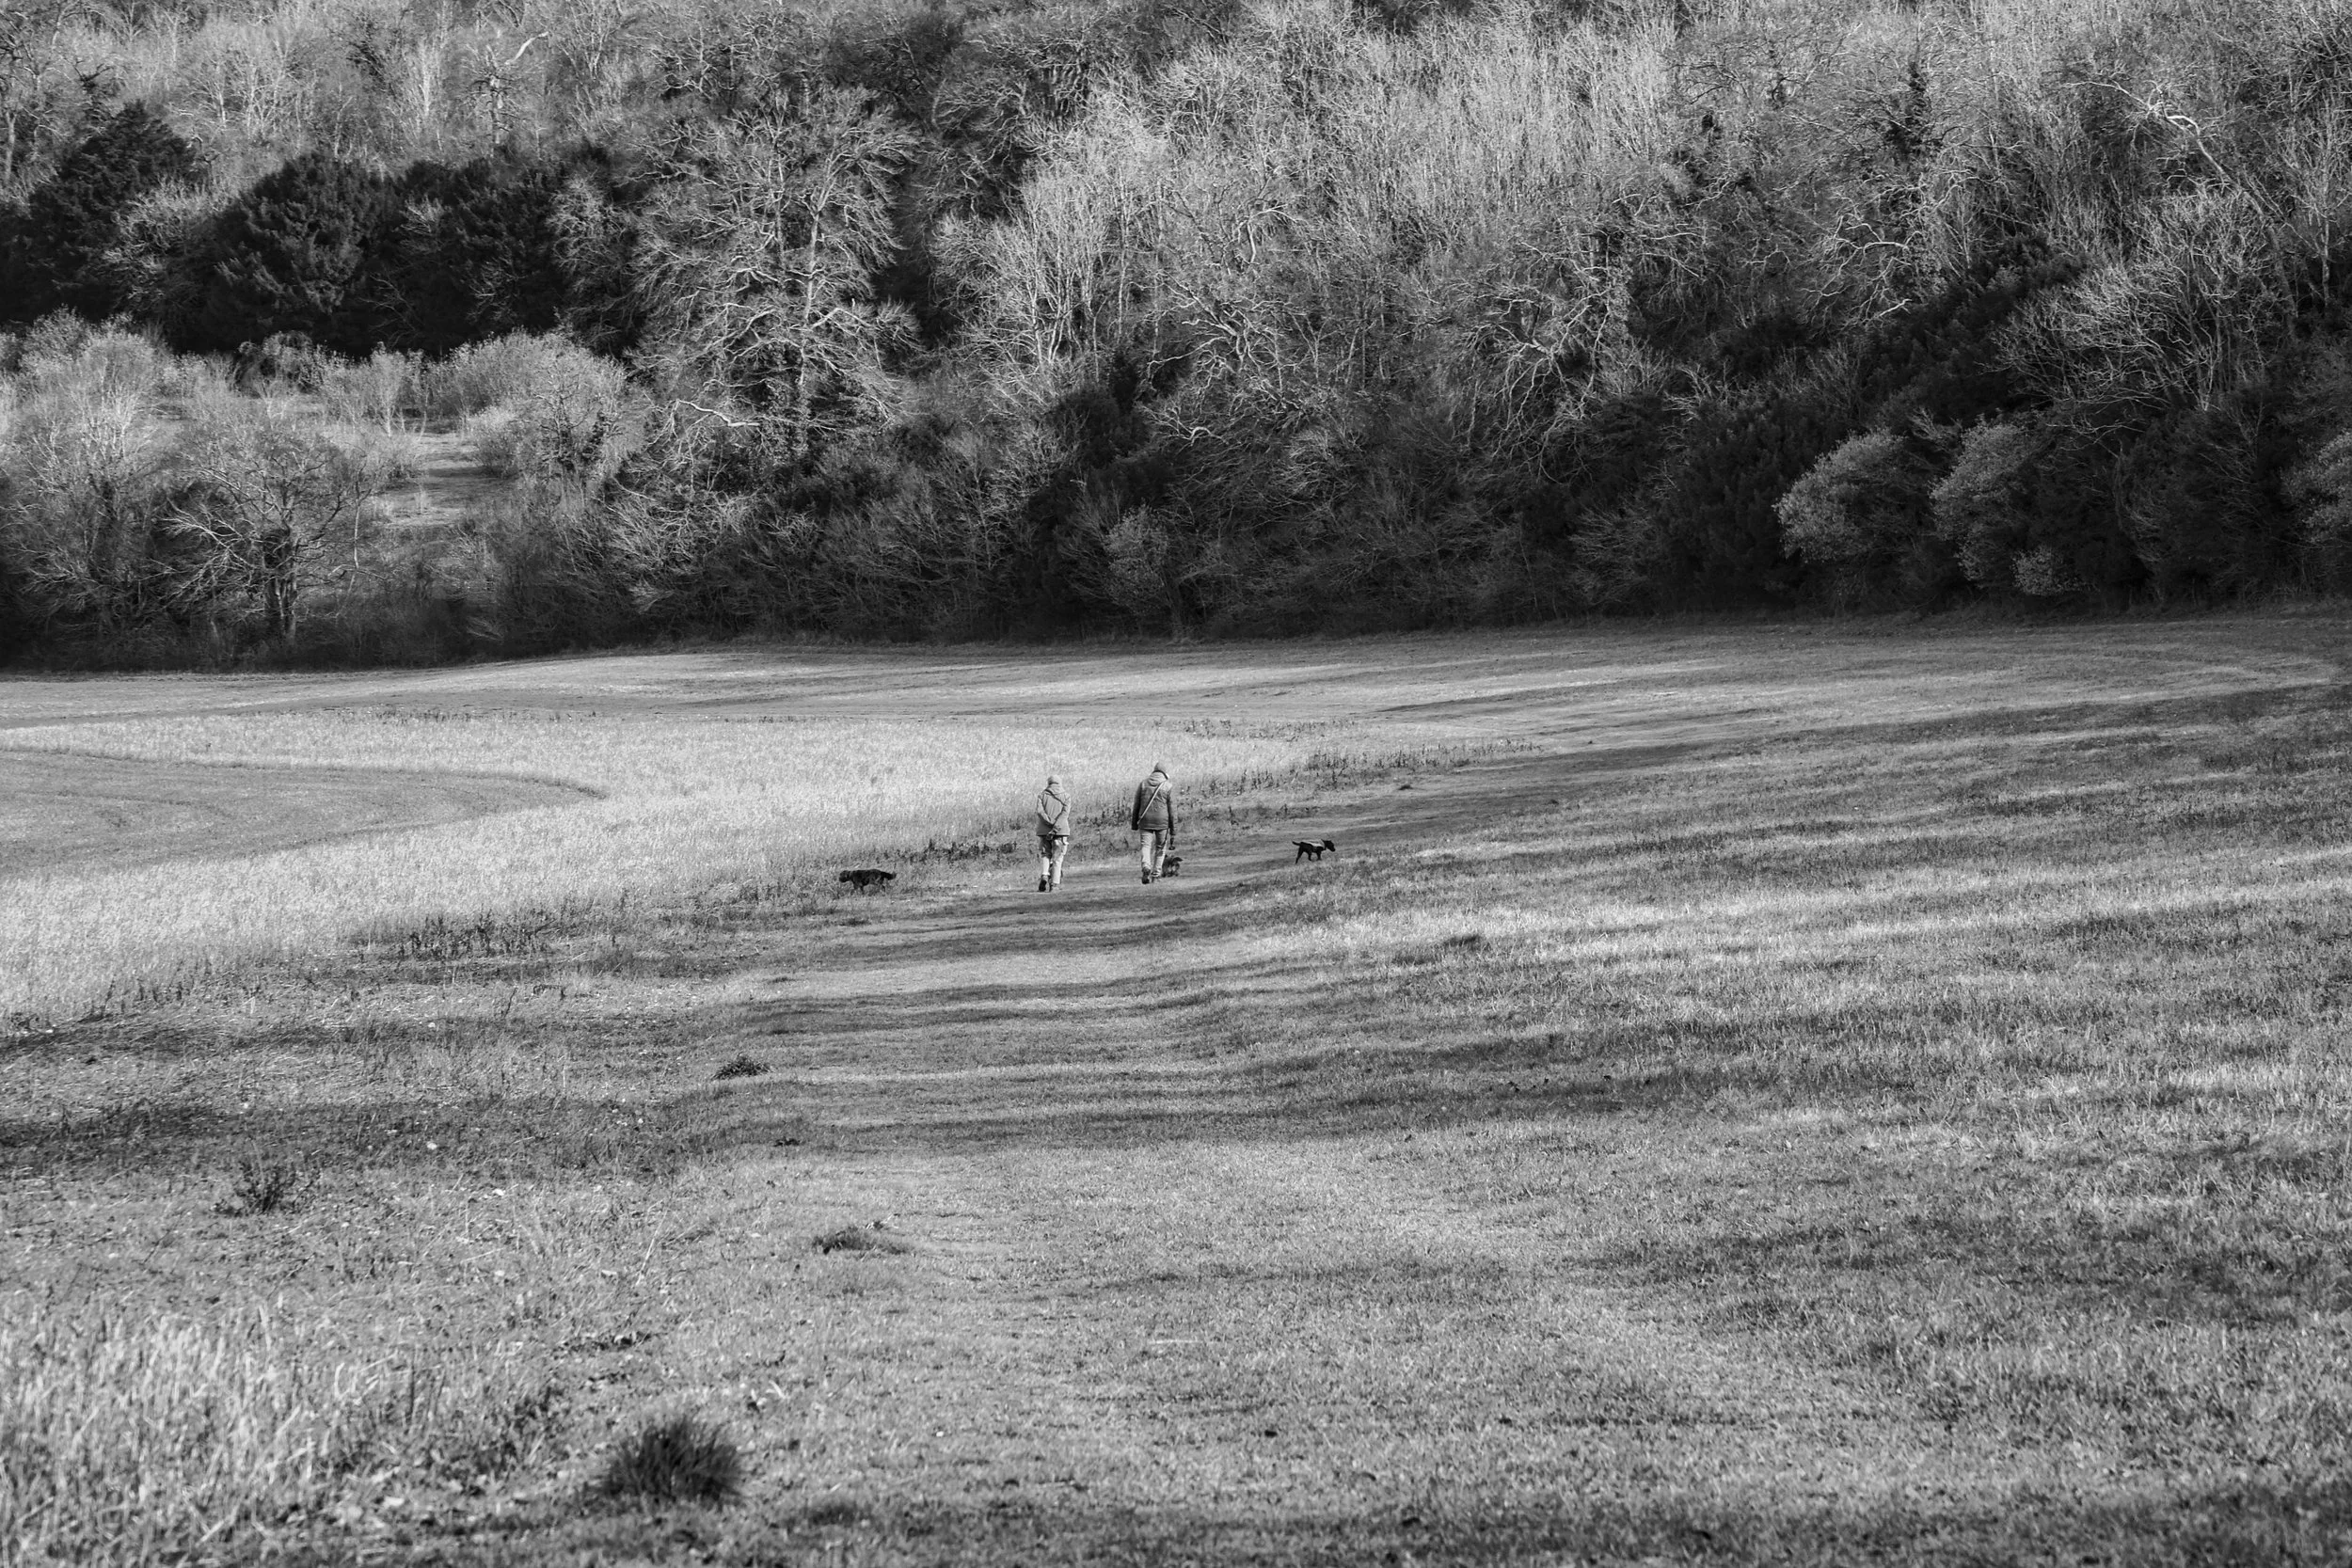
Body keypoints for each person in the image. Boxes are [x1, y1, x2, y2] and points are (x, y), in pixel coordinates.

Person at [1130, 763, 1177, 883]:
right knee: (1160, 848)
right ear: (1164, 773)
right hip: (1162, 822)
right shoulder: (1168, 786)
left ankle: (1146, 866)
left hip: (1145, 820)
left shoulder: (1143, 784)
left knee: (1145, 846)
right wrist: (1173, 830)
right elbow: (1172, 810)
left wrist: (1134, 823)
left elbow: (1136, 805)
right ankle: (1156, 876)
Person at [1035, 774, 1072, 892]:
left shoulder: (1041, 795)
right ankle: (1055, 884)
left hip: (1044, 831)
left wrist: (1050, 822)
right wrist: (1056, 827)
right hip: (1061, 831)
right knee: (1058, 858)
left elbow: (1040, 812)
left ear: (1048, 783)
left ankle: (1045, 875)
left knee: (1046, 854)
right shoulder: (1066, 796)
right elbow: (1065, 814)